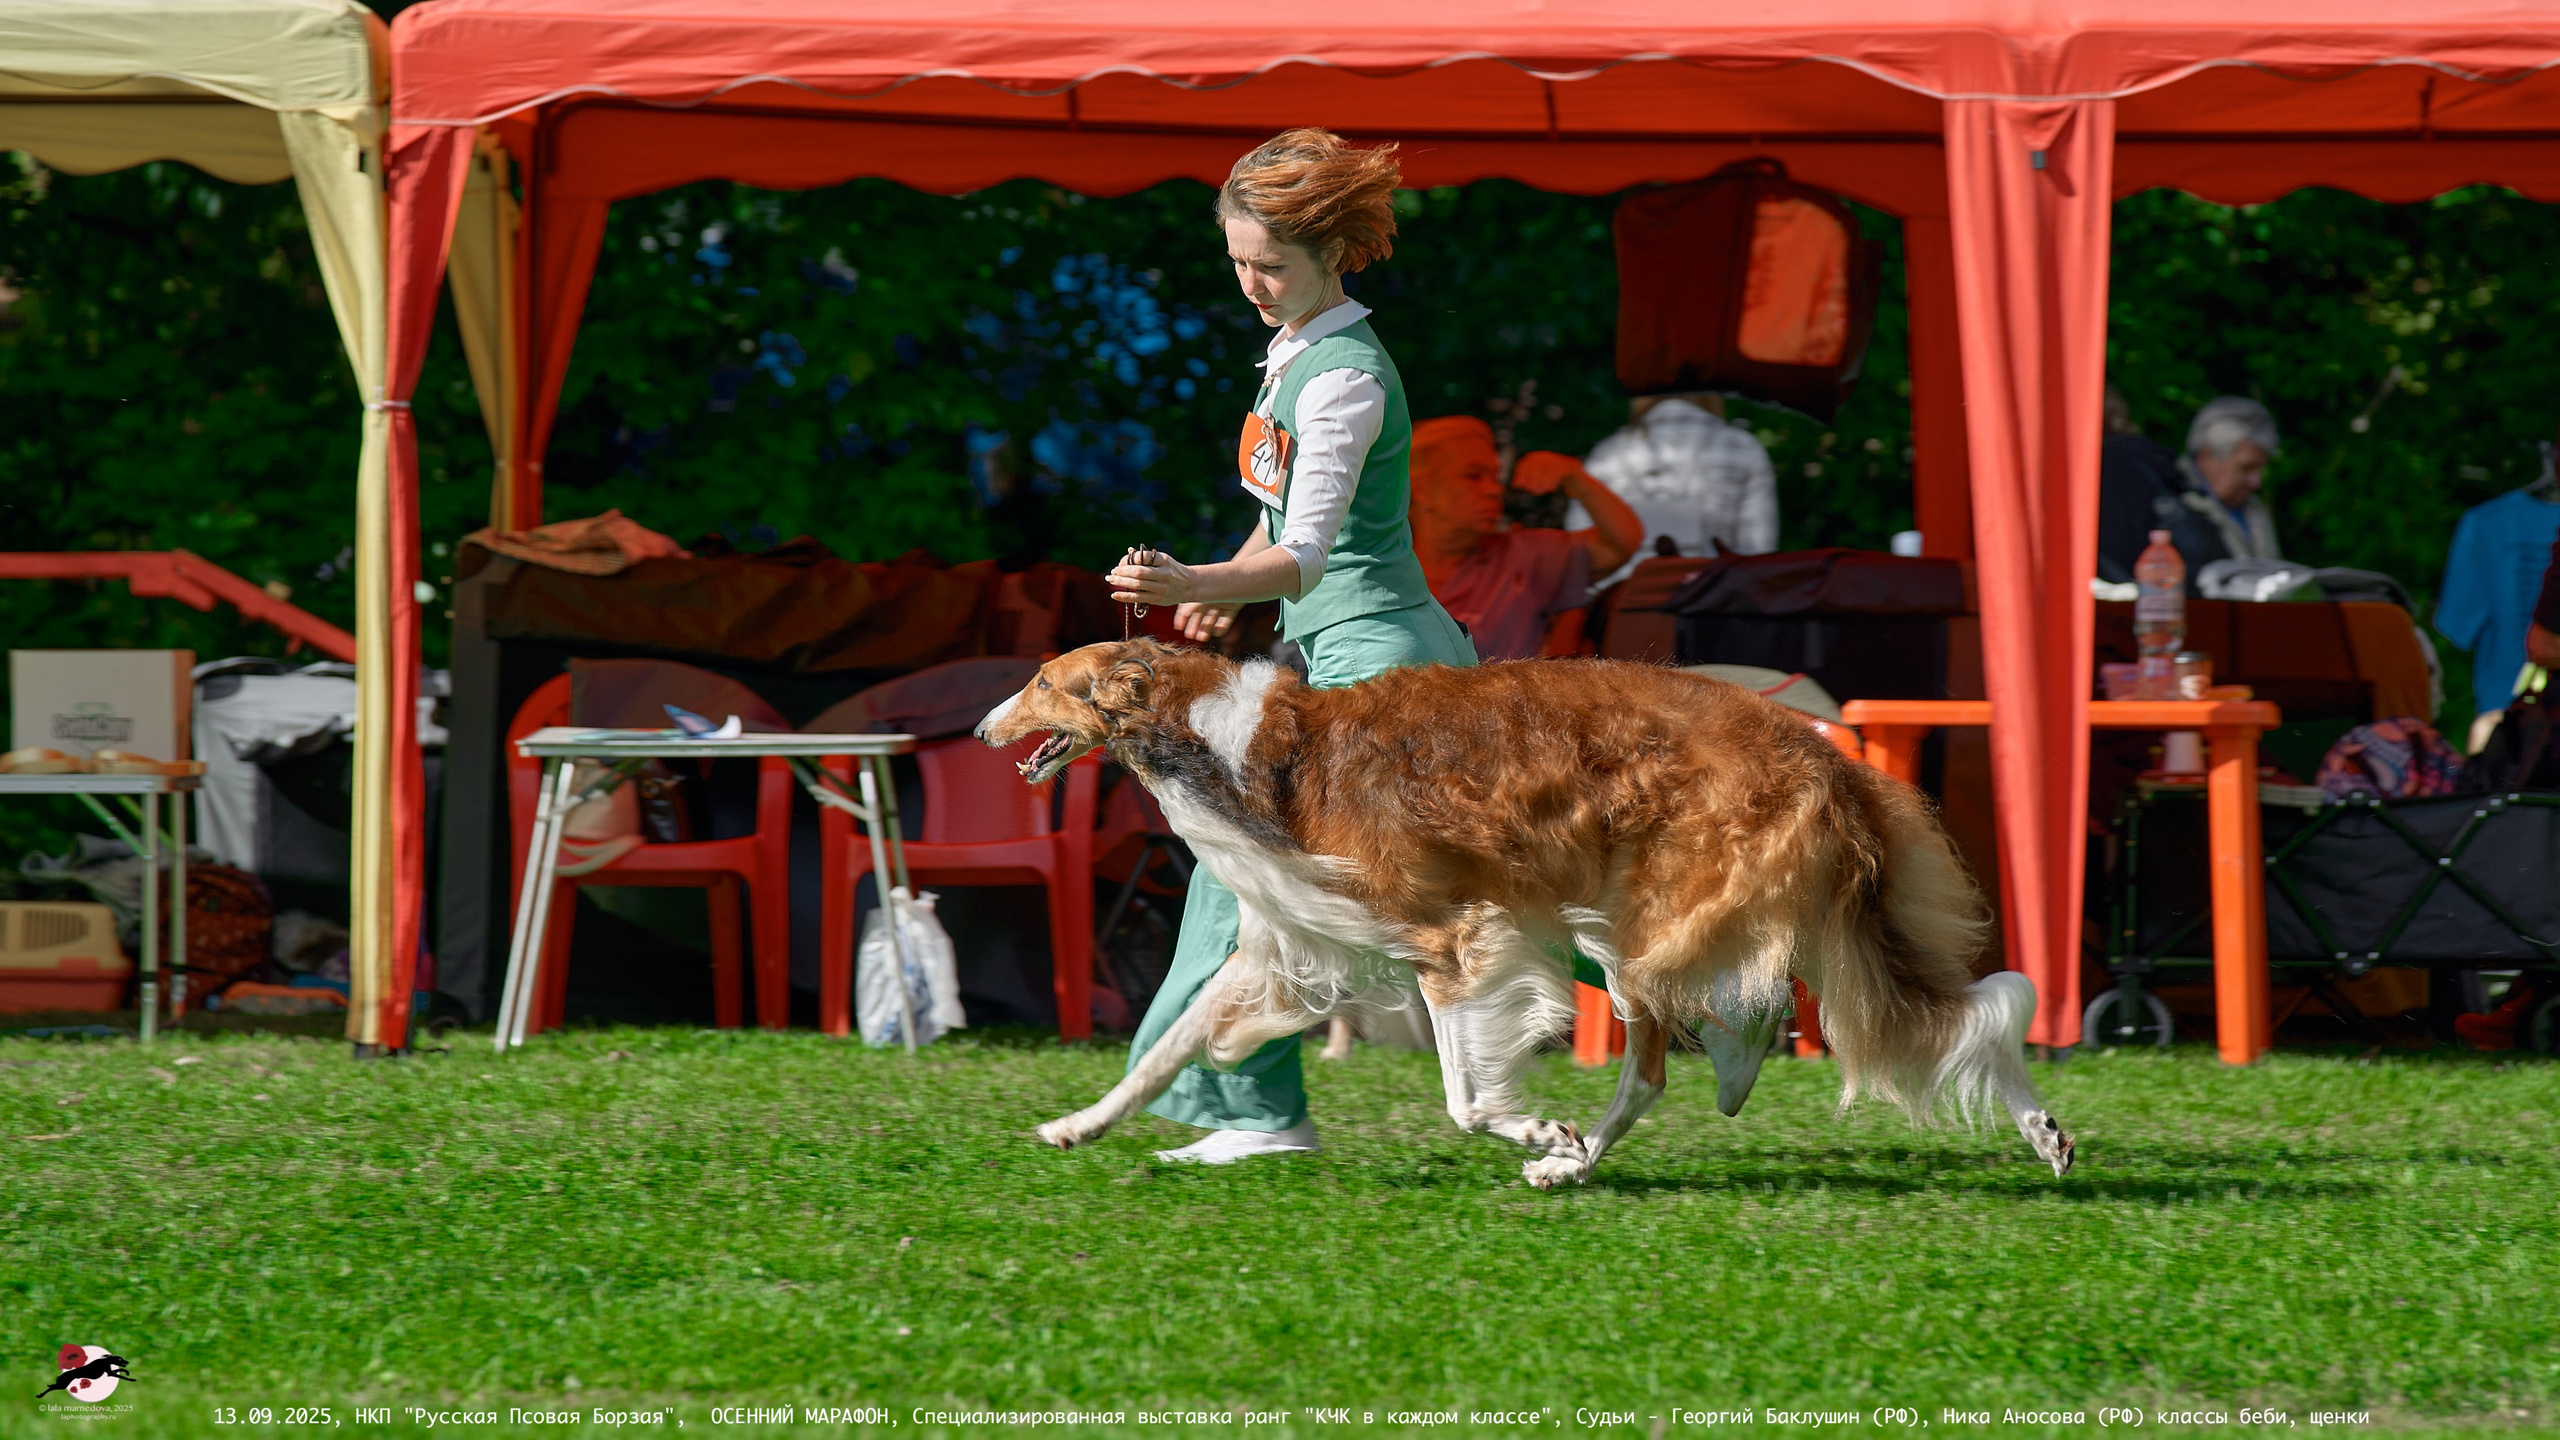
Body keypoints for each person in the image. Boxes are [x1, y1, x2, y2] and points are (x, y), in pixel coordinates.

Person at [1102, 128, 1478, 1164]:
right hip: (1355, 659)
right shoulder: (1298, 355)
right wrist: (1227, 580)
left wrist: (1194, 582)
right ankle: (1255, 1114)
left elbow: (1306, 554)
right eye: (1238, 261)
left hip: (1390, 668)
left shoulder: (1342, 378)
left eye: (1269, 264)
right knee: (1263, 875)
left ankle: (1258, 1117)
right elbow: (1283, 520)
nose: (1251, 284)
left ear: (1333, 256)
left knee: (1275, 876)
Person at [1408, 416, 1644, 659]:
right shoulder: (1387, 570)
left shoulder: (1522, 557)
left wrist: (1577, 479)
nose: (1495, 490)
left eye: (1495, 477)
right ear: (1421, 490)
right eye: (1473, 476)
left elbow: (1620, 544)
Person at [1569, 393, 1776, 586]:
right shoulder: (1744, 448)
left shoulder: (1607, 455)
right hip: (1714, 598)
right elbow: (1758, 550)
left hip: (1627, 600)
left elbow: (1583, 551)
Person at [2095, 391, 2284, 584]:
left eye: (2260, 468)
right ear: (2208, 454)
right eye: (2246, 468)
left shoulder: (2255, 511)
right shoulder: (2168, 499)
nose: (2256, 481)